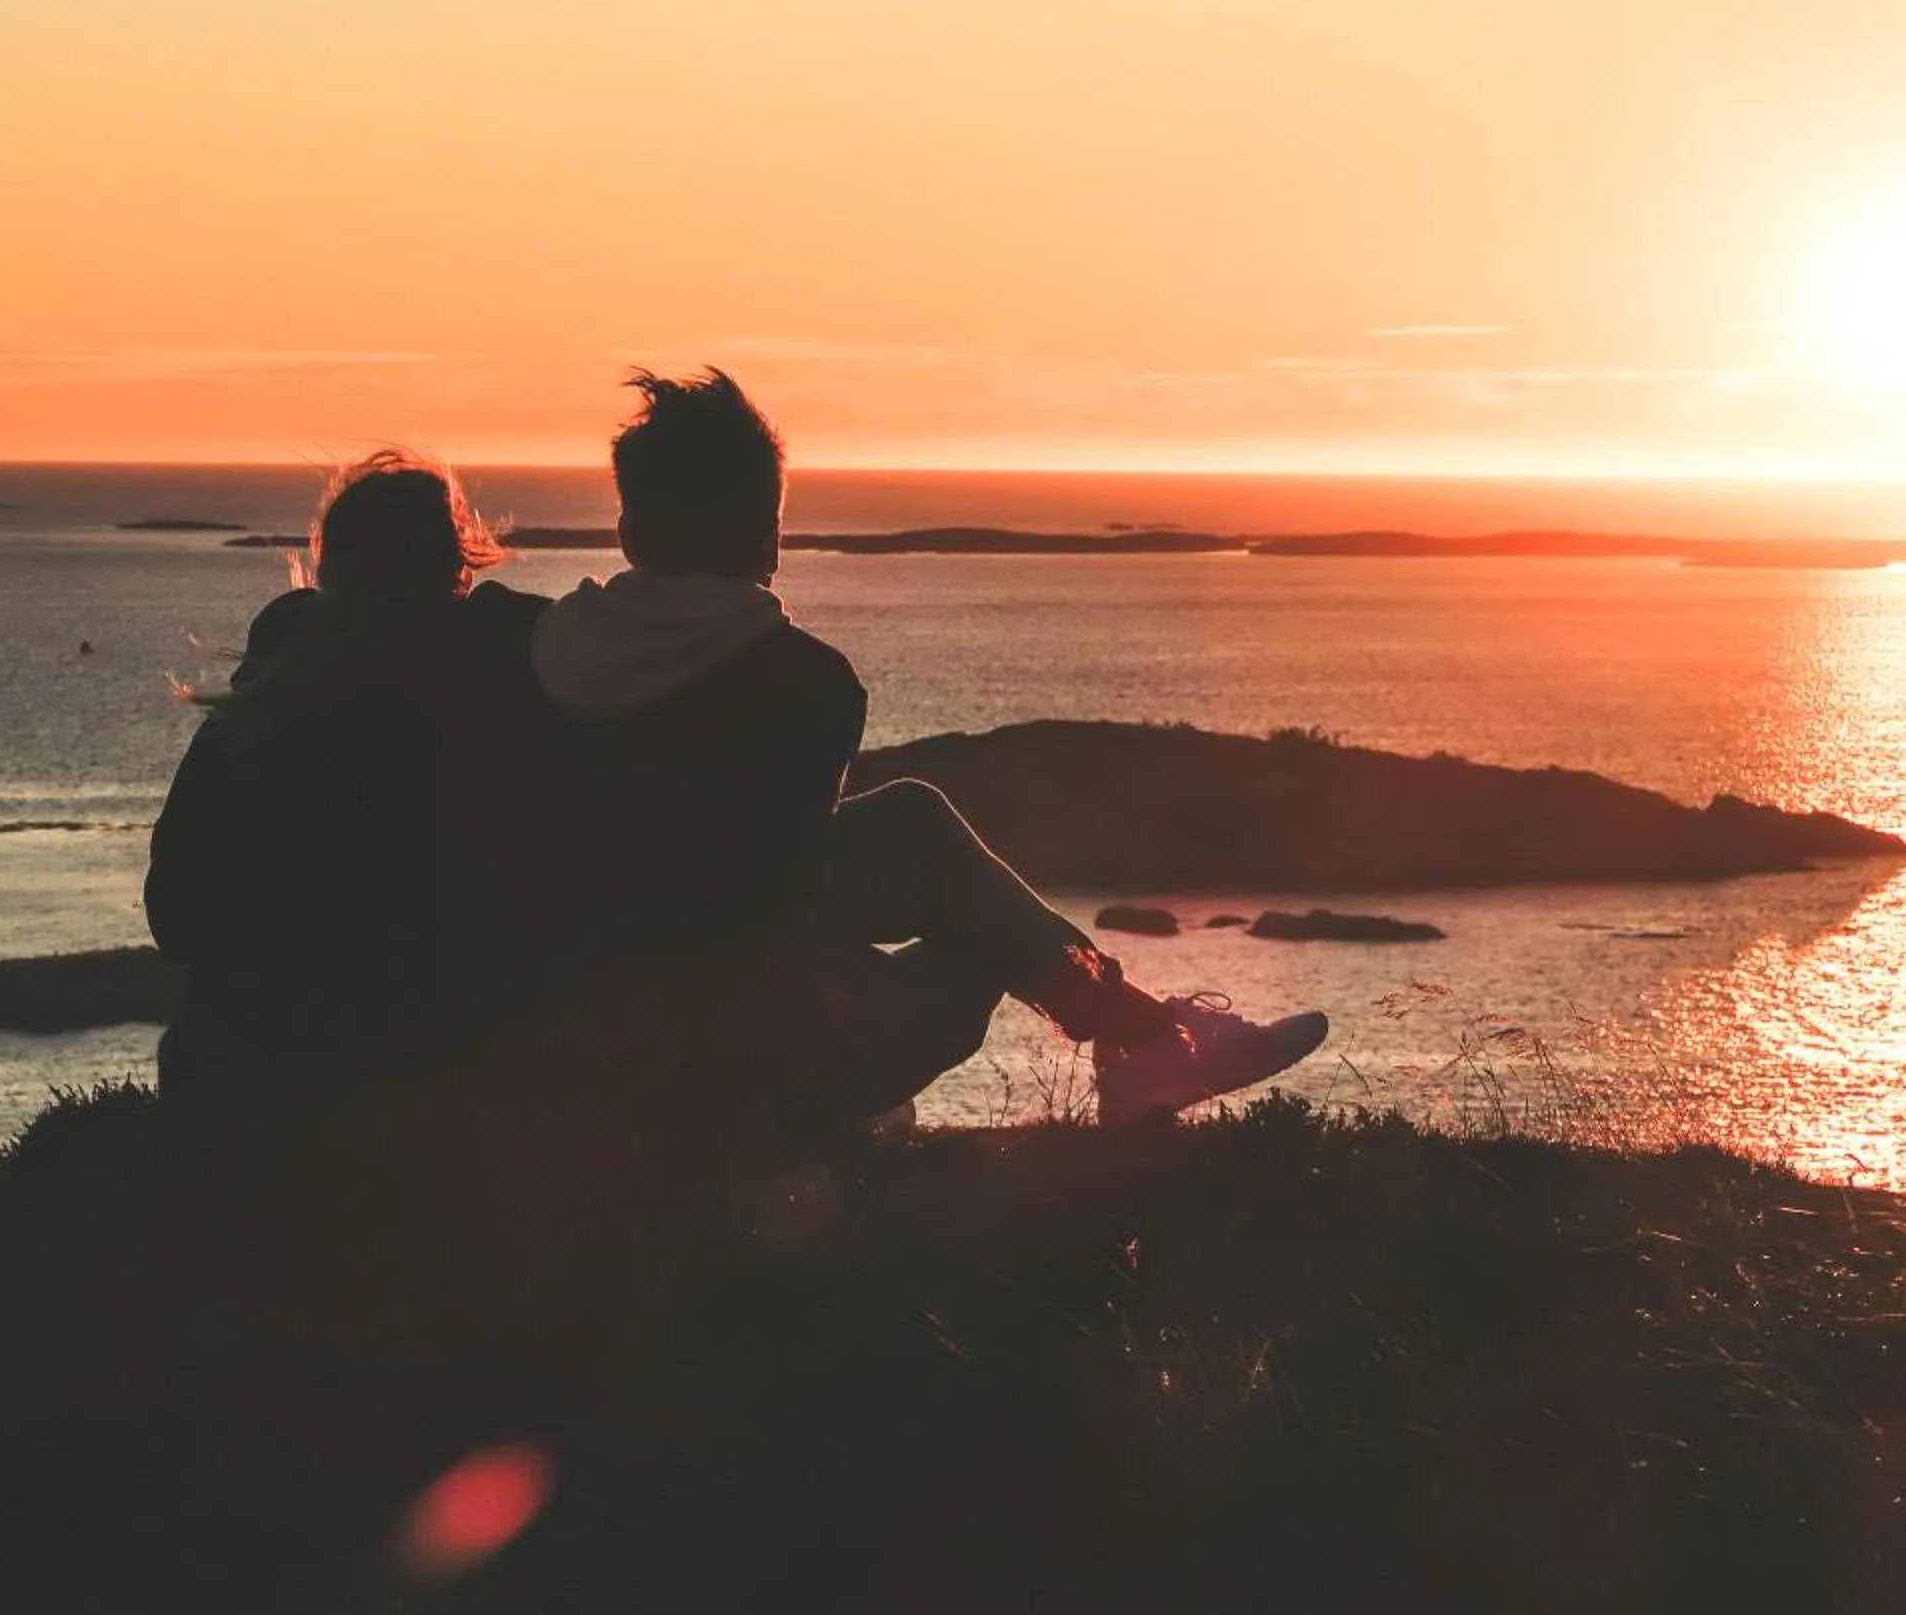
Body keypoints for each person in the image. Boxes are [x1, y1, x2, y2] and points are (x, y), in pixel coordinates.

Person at [516, 368, 1326, 1141]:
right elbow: (774, 917)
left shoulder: (527, 649)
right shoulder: (806, 684)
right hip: (734, 1072)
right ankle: (1146, 1051)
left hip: (566, 1029)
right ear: (770, 535)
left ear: (627, 533)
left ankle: (1144, 1037)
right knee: (977, 927)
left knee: (909, 820)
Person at [146, 451, 542, 1124]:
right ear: (457, 570)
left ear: (331, 564)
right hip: (416, 1103)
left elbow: (173, 914)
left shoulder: (251, 716)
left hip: (234, 1096)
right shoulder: (479, 713)